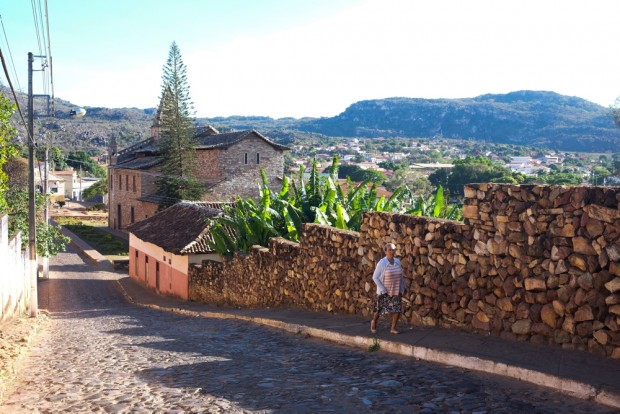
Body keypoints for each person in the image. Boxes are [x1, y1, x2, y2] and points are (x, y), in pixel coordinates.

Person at [371, 242, 406, 334]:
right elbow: (375, 277)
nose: (392, 251)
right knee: (379, 310)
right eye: (390, 250)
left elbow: (400, 276)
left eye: (393, 250)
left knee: (397, 309)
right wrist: (382, 289)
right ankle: (374, 321)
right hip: (384, 291)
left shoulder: (397, 261)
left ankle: (393, 328)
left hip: (395, 290)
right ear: (385, 251)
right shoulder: (382, 263)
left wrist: (402, 288)